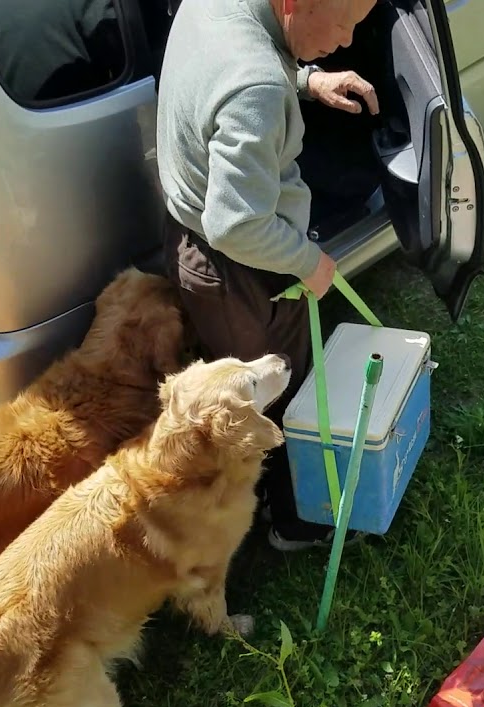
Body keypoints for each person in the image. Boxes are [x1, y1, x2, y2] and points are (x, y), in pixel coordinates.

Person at [156, 0, 380, 551]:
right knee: (276, 388)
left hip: (190, 239)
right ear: (292, 4)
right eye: (344, 20)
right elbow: (236, 224)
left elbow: (229, 74)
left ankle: (271, 505)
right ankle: (295, 521)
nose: (348, 40)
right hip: (238, 267)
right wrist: (311, 262)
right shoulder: (255, 85)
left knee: (251, 382)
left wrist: (305, 80)